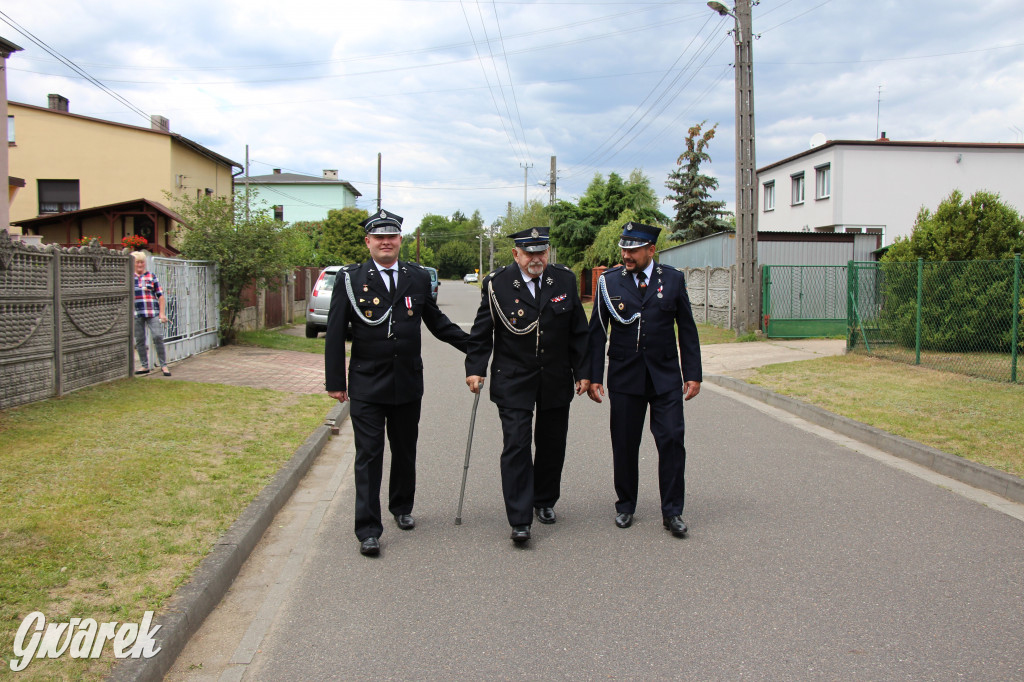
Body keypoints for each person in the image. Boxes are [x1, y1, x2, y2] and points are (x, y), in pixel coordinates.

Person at [325, 209, 469, 557]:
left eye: (392, 237)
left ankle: (401, 507)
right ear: (368, 242)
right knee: (369, 455)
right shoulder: (350, 279)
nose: (386, 242)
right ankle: (368, 529)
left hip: (406, 381)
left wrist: (475, 343)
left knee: (405, 451)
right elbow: (333, 333)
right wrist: (335, 380)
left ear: (400, 240)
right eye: (379, 237)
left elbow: (436, 321)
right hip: (366, 384)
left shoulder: (417, 277)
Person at [465, 227, 590, 546]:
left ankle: (544, 500)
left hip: (555, 377)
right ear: (516, 254)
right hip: (513, 377)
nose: (536, 258)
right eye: (529, 252)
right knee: (517, 445)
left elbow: (578, 331)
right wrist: (476, 368)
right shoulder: (497, 284)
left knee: (552, 444)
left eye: (542, 252)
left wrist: (584, 372)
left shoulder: (563, 279)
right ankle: (520, 519)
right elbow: (482, 332)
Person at [586, 222, 702, 538]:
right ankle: (625, 504)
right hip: (625, 378)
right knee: (624, 444)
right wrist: (594, 375)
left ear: (651, 250)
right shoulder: (609, 283)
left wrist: (693, 373)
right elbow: (597, 332)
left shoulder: (674, 280)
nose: (626, 255)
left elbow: (687, 330)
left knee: (672, 441)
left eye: (633, 249)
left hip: (665, 377)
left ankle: (672, 512)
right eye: (624, 249)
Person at [132, 251, 171, 377]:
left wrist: (162, 313)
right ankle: (144, 366)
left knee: (157, 336)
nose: (140, 265)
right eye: (137, 262)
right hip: (136, 313)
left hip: (152, 311)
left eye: (142, 262)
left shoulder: (151, 276)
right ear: (133, 263)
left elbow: (160, 296)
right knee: (140, 340)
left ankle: (163, 365)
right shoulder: (129, 277)